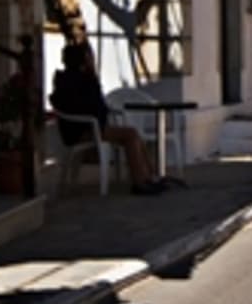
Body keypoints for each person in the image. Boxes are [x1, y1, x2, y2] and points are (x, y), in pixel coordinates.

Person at [50, 40, 165, 195]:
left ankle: (149, 176)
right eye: (89, 56)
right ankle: (141, 180)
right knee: (131, 135)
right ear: (84, 59)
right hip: (85, 130)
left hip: (77, 129)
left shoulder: (64, 80)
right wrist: (93, 78)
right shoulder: (84, 81)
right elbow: (95, 107)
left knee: (133, 133)